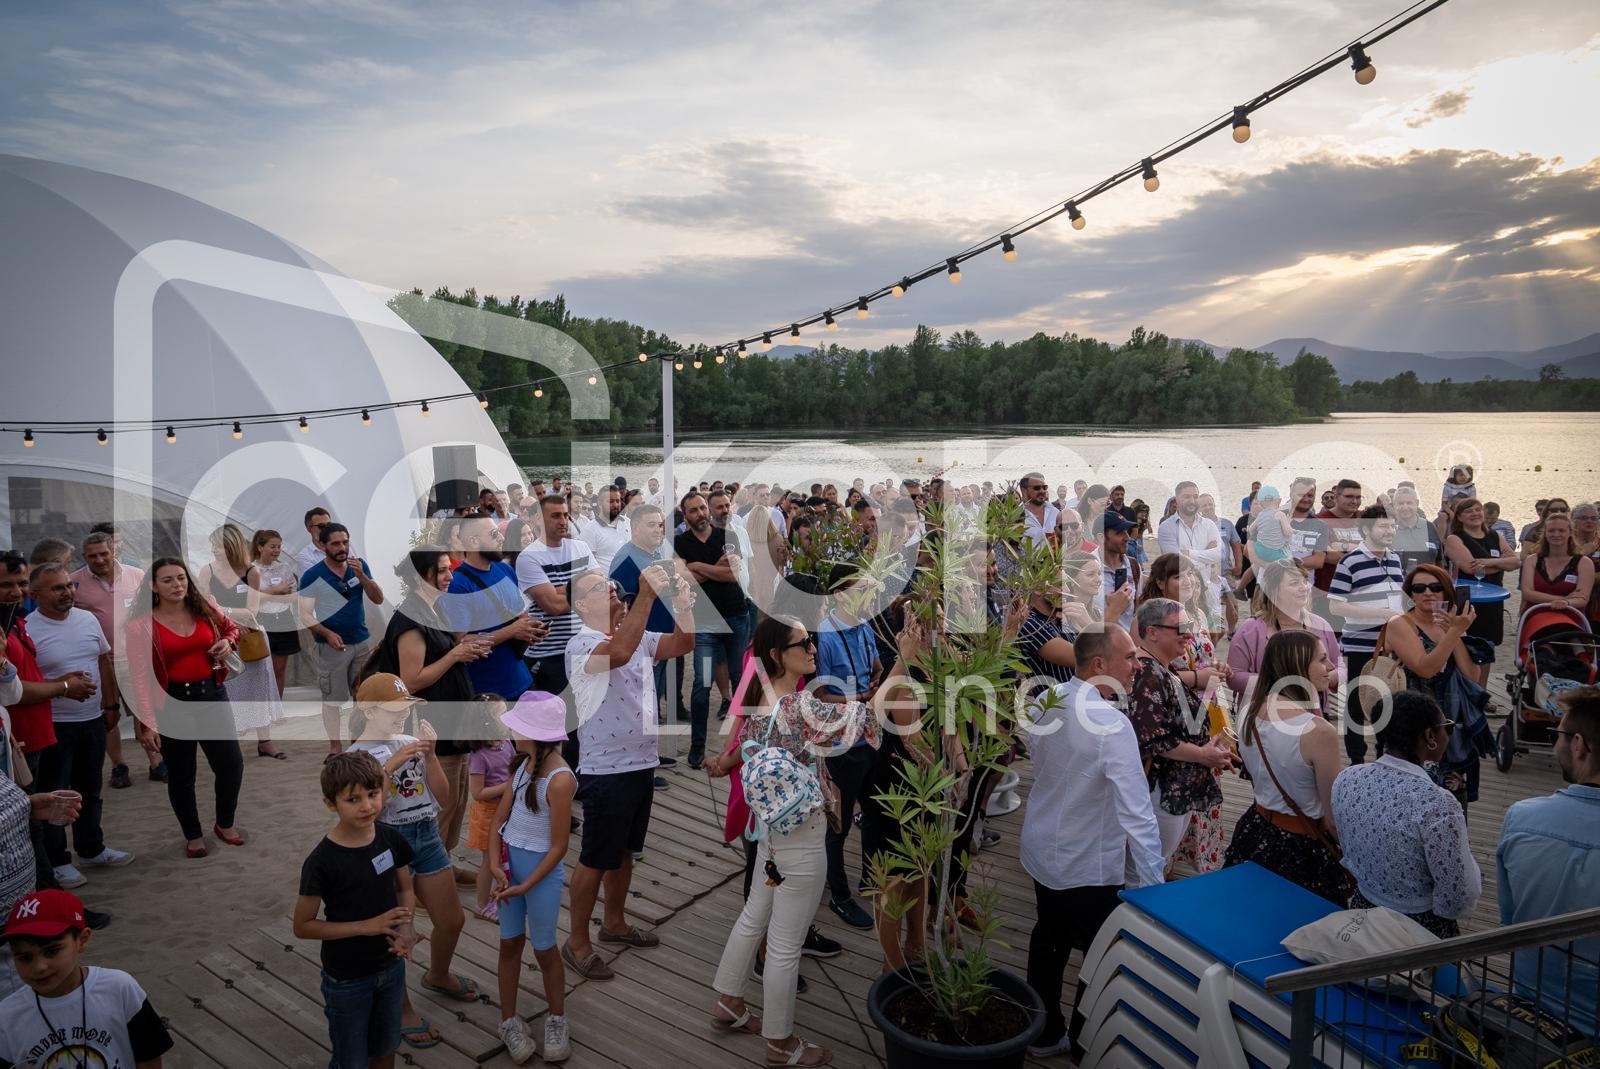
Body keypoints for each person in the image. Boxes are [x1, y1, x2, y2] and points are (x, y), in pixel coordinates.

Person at [707, 615, 885, 1069]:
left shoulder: (759, 699)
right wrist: (904, 661)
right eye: (802, 643)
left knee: (754, 916)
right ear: (776, 654)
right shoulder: (798, 706)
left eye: (811, 640)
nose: (813, 648)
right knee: (785, 944)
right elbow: (866, 719)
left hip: (769, 831)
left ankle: (728, 1001)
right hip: (802, 836)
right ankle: (781, 1043)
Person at [1022, 625, 1164, 1062]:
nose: (1138, 665)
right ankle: (1088, 1044)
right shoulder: (1110, 723)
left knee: (1049, 938)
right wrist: (1154, 886)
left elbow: (1036, 755)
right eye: (1129, 657)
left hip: (1043, 847)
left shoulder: (1047, 700)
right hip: (1086, 863)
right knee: (1103, 957)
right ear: (1099, 665)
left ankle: (1044, 1033)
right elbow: (1137, 811)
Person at [559, 566, 695, 981]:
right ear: (582, 605)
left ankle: (614, 923)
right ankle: (577, 941)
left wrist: (685, 606)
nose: (611, 588)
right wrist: (647, 597)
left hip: (641, 763)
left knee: (624, 852)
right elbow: (617, 654)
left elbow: (683, 642)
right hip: (606, 770)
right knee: (595, 858)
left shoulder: (636, 636)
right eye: (599, 587)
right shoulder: (580, 643)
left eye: (611, 583)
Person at [346, 672, 476, 1050]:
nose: (402, 715)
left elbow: (444, 799)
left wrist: (431, 756)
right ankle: (401, 1009)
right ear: (368, 710)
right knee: (397, 933)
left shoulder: (410, 741)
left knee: (452, 919)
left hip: (425, 833)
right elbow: (366, 810)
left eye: (406, 707)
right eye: (393, 709)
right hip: (387, 842)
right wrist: (388, 767)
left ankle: (438, 974)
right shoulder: (357, 755)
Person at [293, 751, 417, 1069]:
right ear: (331, 804)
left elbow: (405, 889)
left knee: (386, 1046)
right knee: (352, 1058)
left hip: (390, 969)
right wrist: (367, 926)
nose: (366, 806)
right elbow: (303, 925)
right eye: (353, 799)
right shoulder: (321, 862)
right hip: (347, 978)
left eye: (373, 794)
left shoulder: (390, 838)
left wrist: (406, 927)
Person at [379, 546, 489, 886]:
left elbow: (441, 656)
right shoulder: (411, 618)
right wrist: (455, 654)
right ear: (419, 576)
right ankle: (429, 875)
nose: (450, 575)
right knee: (441, 802)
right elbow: (411, 680)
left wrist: (463, 650)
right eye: (442, 570)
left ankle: (444, 861)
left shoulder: (432, 609)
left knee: (455, 800)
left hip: (454, 718)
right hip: (435, 720)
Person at [122, 559, 246, 859]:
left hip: (212, 695)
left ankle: (224, 823)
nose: (177, 585)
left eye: (181, 578)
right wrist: (146, 723)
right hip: (172, 704)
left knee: (231, 765)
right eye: (167, 580)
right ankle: (193, 834)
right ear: (153, 586)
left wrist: (228, 643)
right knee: (181, 773)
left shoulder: (203, 608)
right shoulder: (140, 626)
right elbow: (139, 677)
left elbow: (232, 629)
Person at [1333, 691, 1481, 938]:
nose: (1449, 733)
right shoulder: (1438, 804)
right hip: (1417, 930)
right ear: (1429, 736)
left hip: (1361, 916)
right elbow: (1458, 896)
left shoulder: (1347, 779)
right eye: (1448, 727)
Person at [1496, 685, 1599, 1038]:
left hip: (1531, 1016)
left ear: (1579, 745)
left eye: (1557, 734)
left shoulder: (1521, 819)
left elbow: (1509, 922)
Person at [26, 563, 134, 889]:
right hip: (55, 725)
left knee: (91, 790)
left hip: (92, 719)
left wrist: (111, 704)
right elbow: (25, 683)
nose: (67, 592)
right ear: (36, 595)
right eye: (56, 588)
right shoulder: (30, 628)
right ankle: (59, 860)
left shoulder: (87, 619)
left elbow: (103, 660)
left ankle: (91, 848)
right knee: (58, 795)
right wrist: (61, 686)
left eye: (68, 586)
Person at [1223, 631, 1348, 903]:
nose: (1330, 668)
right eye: (1322, 659)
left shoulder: (1249, 711)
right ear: (1297, 666)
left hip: (1255, 828)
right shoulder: (1318, 731)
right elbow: (1332, 818)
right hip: (1301, 845)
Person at [487, 692, 574, 1063]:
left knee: (544, 947)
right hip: (510, 870)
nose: (511, 734)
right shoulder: (521, 766)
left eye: (518, 728)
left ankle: (557, 1017)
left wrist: (527, 883)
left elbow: (558, 847)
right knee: (509, 944)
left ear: (536, 734)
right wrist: (494, 866)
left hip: (539, 875)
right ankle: (508, 1020)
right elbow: (498, 824)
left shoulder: (560, 779)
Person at [0, 889, 174, 1067]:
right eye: (24, 958)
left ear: (82, 940)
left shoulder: (119, 988)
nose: (39, 967)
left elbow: (149, 1055)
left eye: (51, 951)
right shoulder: (7, 1016)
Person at [1127, 598, 1235, 870]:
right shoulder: (1147, 673)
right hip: (1161, 789)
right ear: (1152, 632)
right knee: (1146, 869)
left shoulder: (1162, 666)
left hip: (1175, 786)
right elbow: (1154, 738)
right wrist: (1202, 755)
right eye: (1180, 628)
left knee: (1155, 864)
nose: (1189, 633)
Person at [813, 568, 883, 931]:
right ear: (841, 595)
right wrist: (859, 697)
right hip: (840, 743)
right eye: (864, 589)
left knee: (872, 808)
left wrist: (875, 676)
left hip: (867, 736)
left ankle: (870, 878)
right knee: (837, 824)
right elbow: (820, 693)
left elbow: (875, 666)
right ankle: (839, 896)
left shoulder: (865, 626)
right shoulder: (824, 635)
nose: (872, 594)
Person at [1386, 564, 1486, 813]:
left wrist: (1456, 633)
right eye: (1419, 588)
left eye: (1435, 587)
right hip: (1413, 722)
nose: (1427, 593)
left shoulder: (1451, 624)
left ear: (1446, 592)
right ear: (1410, 593)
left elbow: (1472, 676)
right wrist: (1454, 632)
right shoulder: (1401, 624)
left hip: (1450, 723)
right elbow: (1425, 668)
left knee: (1451, 805)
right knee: (1410, 803)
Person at [71, 532, 159, 786]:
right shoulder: (74, 583)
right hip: (99, 662)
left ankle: (156, 761)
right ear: (84, 557)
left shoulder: (136, 575)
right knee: (108, 716)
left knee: (145, 710)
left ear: (113, 552)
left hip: (135, 658)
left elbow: (150, 611)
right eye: (92, 556)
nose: (99, 559)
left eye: (103, 554)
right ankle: (119, 765)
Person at [516, 494, 593, 765]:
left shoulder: (581, 547)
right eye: (555, 515)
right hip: (550, 653)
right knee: (562, 722)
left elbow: (598, 592)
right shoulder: (529, 557)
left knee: (586, 715)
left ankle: (582, 774)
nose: (563, 521)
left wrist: (562, 590)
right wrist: (579, 588)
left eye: (565, 515)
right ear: (539, 519)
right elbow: (552, 606)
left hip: (583, 647)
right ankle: (561, 778)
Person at [675, 492, 749, 769]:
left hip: (736, 617)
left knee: (740, 678)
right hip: (704, 623)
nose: (701, 513)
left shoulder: (728, 536)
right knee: (701, 685)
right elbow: (683, 578)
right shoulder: (679, 542)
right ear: (686, 515)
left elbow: (732, 574)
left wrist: (696, 568)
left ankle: (745, 743)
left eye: (703, 508)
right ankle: (697, 746)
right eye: (693, 510)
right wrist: (709, 569)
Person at [1328, 506, 1406, 764]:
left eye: (1392, 526)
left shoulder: (1394, 559)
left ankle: (1385, 755)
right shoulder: (1350, 561)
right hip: (1360, 644)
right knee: (1356, 705)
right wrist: (1381, 614)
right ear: (1366, 529)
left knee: (1391, 702)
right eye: (1383, 526)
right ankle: (1356, 760)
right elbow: (1335, 605)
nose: (1390, 531)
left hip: (1392, 646)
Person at [198, 524, 285, 756]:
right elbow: (202, 607)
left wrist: (219, 609)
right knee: (226, 687)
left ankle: (264, 741)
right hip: (221, 638)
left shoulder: (252, 572)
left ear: (231, 546)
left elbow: (251, 611)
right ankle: (231, 740)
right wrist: (231, 614)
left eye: (218, 546)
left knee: (258, 689)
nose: (214, 551)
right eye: (213, 547)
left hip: (250, 638)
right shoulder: (207, 571)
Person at [299, 523, 384, 757]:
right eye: (336, 543)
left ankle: (360, 743)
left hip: (361, 642)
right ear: (322, 545)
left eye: (345, 542)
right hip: (331, 648)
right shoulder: (313, 575)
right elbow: (304, 613)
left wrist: (363, 577)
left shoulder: (359, 566)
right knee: (333, 700)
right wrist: (326, 633)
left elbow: (377, 599)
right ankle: (335, 748)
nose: (342, 547)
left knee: (364, 698)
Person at [444, 515, 543, 704]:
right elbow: (460, 641)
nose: (501, 538)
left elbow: (521, 615)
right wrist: (511, 631)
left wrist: (532, 629)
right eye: (493, 534)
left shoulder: (503, 569)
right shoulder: (458, 584)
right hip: (490, 692)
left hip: (521, 678)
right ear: (474, 541)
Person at [1226, 561, 1341, 716]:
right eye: (1294, 583)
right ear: (1274, 590)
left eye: (1305, 581)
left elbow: (1340, 667)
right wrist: (1284, 684)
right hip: (1264, 718)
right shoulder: (1251, 629)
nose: (1304, 588)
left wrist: (1329, 677)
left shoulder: (1321, 625)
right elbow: (1234, 676)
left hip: (1313, 715)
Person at [1443, 498, 1517, 685]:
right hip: (1466, 601)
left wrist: (1490, 563)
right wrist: (1501, 563)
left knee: (1487, 649)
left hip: (1493, 601)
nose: (1475, 513)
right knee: (1463, 647)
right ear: (1459, 517)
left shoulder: (1495, 536)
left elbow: (1516, 562)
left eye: (1478, 510)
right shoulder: (1455, 538)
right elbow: (1471, 568)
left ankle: (1481, 692)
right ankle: (1463, 691)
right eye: (1469, 511)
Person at [248, 529, 298, 758]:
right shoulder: (252, 568)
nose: (277, 550)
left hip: (283, 617)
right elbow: (252, 597)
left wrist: (272, 592)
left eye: (279, 546)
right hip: (264, 620)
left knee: (279, 668)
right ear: (260, 547)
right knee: (263, 670)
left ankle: (277, 709)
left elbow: (291, 593)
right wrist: (275, 590)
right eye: (272, 546)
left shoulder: (285, 568)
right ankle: (262, 714)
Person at [465, 696, 514, 924]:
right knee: (488, 860)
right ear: (486, 722)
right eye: (501, 714)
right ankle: (481, 904)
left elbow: (513, 765)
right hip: (488, 813)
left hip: (507, 808)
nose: (508, 717)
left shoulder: (506, 742)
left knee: (505, 854)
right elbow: (477, 793)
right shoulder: (479, 756)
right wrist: (509, 786)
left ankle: (499, 894)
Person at [1519, 511, 1594, 611]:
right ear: (1545, 533)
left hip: (1571, 617)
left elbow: (1582, 599)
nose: (1556, 534)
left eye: (1561, 530)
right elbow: (1527, 593)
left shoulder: (1584, 563)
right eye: (1551, 530)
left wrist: (1565, 603)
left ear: (1571, 532)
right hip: (1535, 616)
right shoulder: (1532, 560)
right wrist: (1564, 600)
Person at [1092, 512, 1141, 632]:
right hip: (1096, 646)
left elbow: (1137, 611)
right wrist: (1115, 609)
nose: (1127, 538)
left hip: (1127, 645)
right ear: (1101, 537)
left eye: (1126, 531)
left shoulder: (1133, 565)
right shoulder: (1084, 568)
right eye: (1120, 533)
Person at [573, 485, 632, 575]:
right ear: (600, 503)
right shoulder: (590, 530)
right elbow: (585, 566)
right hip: (609, 584)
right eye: (610, 501)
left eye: (617, 501)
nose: (615, 505)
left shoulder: (628, 522)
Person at [1390, 486, 1444, 576]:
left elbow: (1439, 562)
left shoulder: (1430, 527)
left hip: (1429, 586)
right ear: (1394, 505)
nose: (1405, 507)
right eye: (1400, 503)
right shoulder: (1389, 530)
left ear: (1417, 503)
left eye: (1409, 503)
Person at [1247, 485, 1294, 568]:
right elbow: (1288, 533)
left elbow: (1250, 529)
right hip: (1272, 551)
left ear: (1261, 503)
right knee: (1288, 561)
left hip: (1259, 548)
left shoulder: (1260, 515)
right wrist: (1288, 522)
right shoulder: (1280, 514)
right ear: (1279, 501)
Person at [1020, 472, 1060, 548]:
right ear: (1024, 491)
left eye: (1044, 487)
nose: (1042, 491)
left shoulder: (1056, 513)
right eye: (1037, 488)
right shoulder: (1016, 517)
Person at [295, 507, 332, 576]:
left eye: (329, 525)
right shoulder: (305, 556)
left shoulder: (343, 544)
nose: (327, 529)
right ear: (309, 528)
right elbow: (319, 583)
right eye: (321, 526)